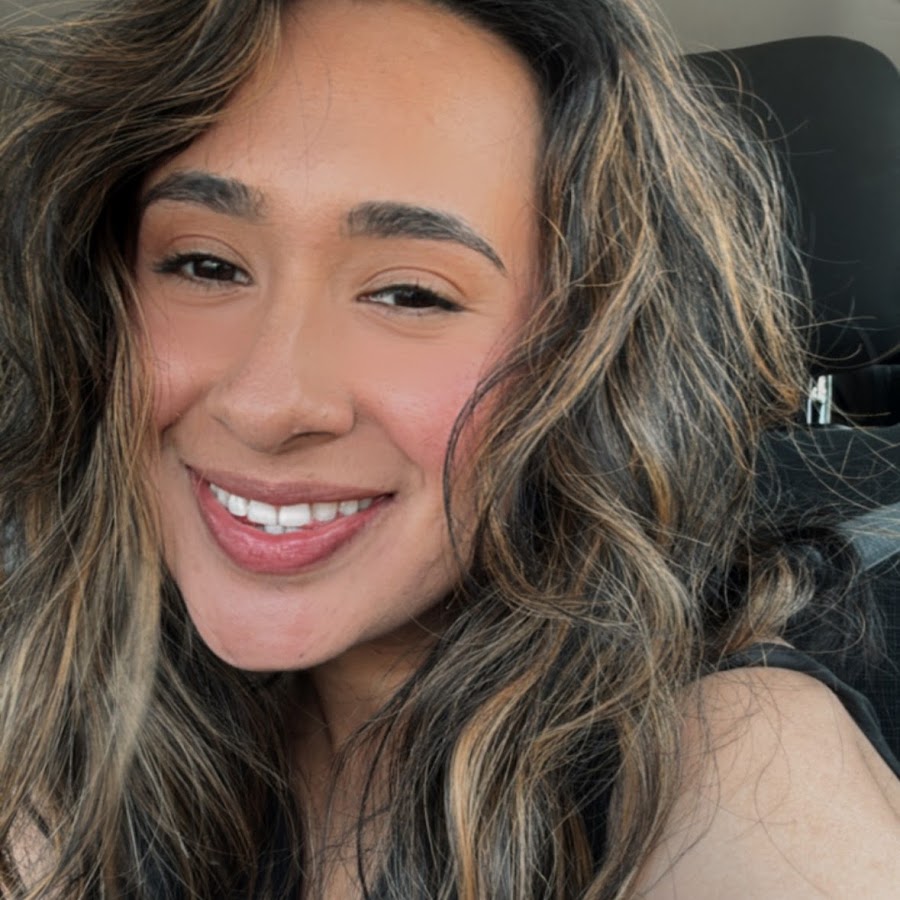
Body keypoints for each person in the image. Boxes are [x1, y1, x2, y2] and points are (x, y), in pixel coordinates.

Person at [0, 0, 897, 897]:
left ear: (589, 362)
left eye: (411, 295)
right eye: (206, 265)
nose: (265, 405)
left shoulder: (736, 766)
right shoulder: (60, 689)